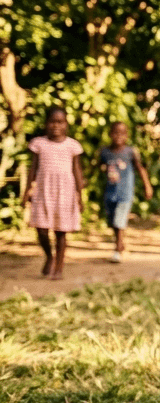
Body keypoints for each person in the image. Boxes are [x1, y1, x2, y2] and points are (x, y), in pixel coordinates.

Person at [25, 106, 84, 280]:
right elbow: (32, 169)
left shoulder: (72, 146)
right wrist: (26, 192)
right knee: (41, 229)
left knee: (60, 232)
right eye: (52, 122)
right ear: (46, 124)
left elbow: (77, 171)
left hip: (65, 193)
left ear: (66, 124)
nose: (55, 126)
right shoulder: (39, 144)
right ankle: (49, 257)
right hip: (43, 192)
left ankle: (59, 267)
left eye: (60, 122)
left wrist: (80, 196)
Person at [97, 121, 153, 262]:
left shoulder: (130, 152)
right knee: (112, 221)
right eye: (115, 132)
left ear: (127, 135)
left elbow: (140, 168)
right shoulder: (105, 152)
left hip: (125, 192)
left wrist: (147, 185)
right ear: (110, 134)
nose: (118, 136)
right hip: (110, 192)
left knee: (119, 219)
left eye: (122, 133)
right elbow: (98, 167)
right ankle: (121, 244)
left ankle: (117, 250)